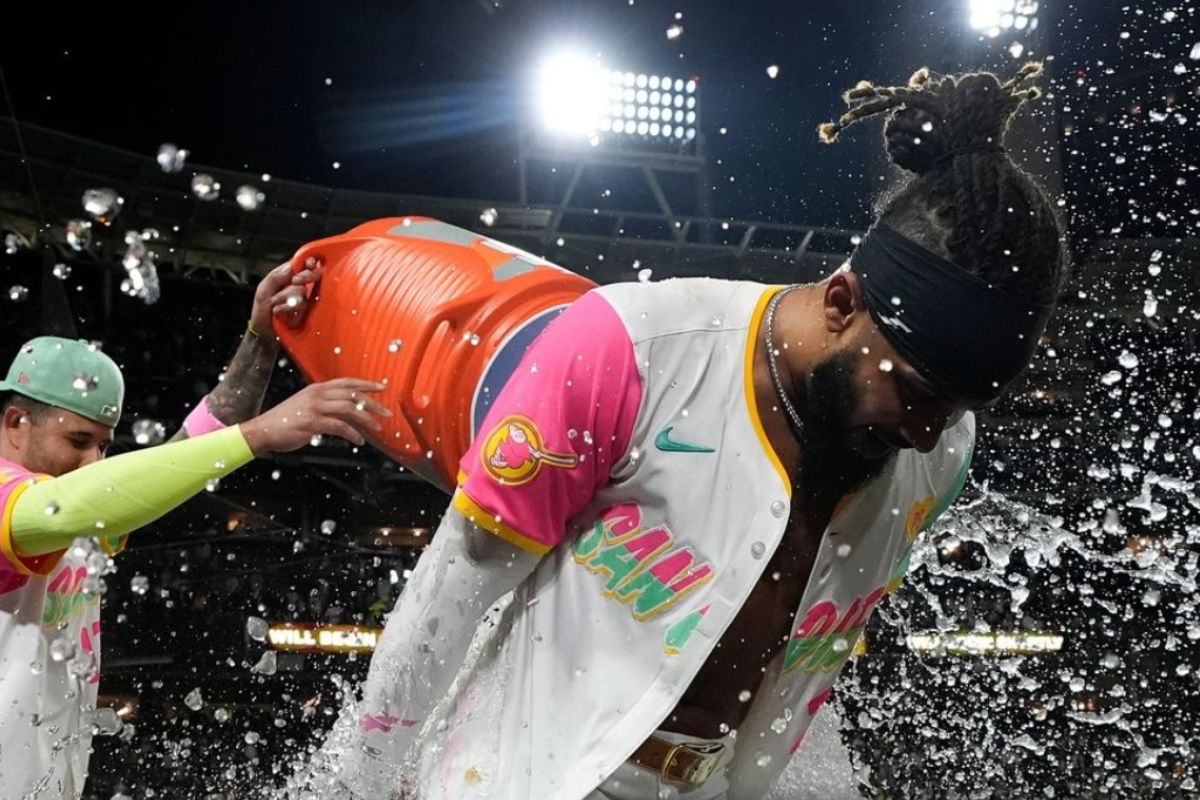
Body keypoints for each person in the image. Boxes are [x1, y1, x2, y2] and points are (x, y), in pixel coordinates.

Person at [311, 63, 1068, 800]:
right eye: (912, 389)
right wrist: (362, 783)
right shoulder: (631, 348)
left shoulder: (941, 453)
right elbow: (450, 601)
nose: (928, 434)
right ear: (842, 300)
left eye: (959, 407)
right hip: (527, 772)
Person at [0, 265, 389, 798]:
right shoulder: (32, 500)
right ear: (17, 423)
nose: (94, 460)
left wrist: (261, 338)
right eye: (78, 439)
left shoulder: (87, 510)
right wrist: (258, 436)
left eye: (105, 447)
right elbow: (61, 508)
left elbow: (185, 455)